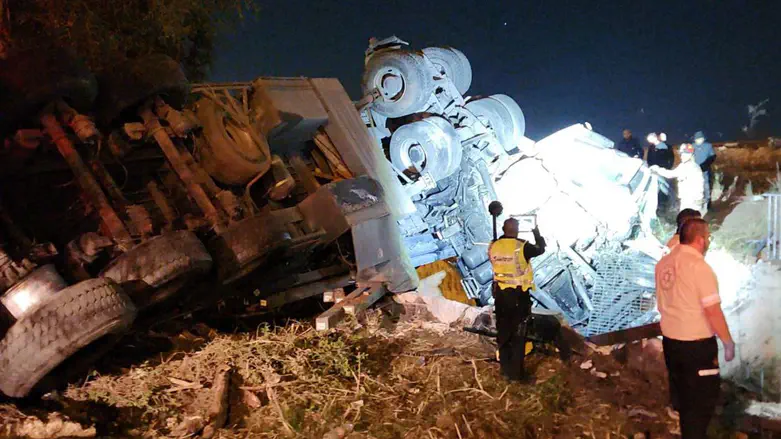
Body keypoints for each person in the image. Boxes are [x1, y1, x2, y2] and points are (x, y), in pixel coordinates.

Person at [655, 218, 735, 438]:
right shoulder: (699, 267)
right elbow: (713, 311)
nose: (708, 241)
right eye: (707, 237)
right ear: (700, 239)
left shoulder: (663, 264)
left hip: (671, 343)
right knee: (700, 403)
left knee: (683, 396)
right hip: (696, 347)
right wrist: (727, 342)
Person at [488, 218, 546, 381]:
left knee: (504, 331)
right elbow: (541, 249)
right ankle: (517, 374)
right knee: (519, 333)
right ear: (518, 229)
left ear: (503, 228)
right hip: (518, 295)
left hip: (500, 294)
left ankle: (505, 369)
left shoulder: (494, 245)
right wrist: (536, 231)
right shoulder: (522, 246)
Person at [650, 143, 708, 215]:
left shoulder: (686, 166)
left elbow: (670, 174)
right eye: (681, 154)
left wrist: (657, 169)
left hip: (690, 200)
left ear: (690, 155)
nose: (682, 156)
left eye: (685, 154)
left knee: (687, 220)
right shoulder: (694, 165)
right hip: (695, 199)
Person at [693, 131, 716, 206]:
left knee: (706, 184)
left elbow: (713, 156)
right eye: (697, 139)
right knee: (696, 185)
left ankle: (708, 200)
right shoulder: (692, 146)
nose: (699, 140)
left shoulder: (708, 146)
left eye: (700, 139)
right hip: (695, 170)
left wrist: (706, 164)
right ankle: (698, 200)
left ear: (703, 139)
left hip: (704, 169)